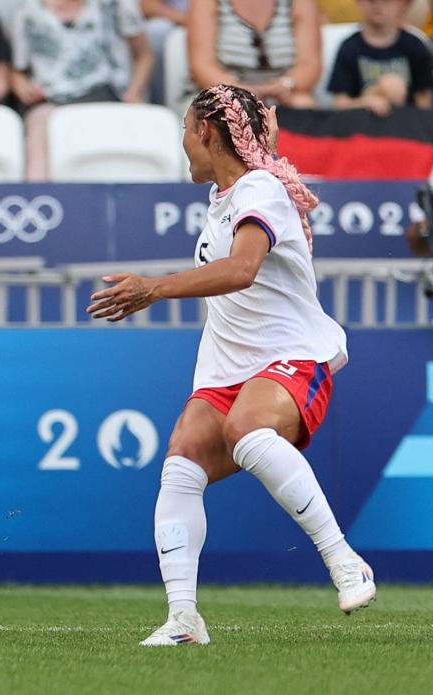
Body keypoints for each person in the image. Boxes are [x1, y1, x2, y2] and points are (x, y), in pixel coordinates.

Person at [87, 84, 376, 646]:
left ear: (206, 133)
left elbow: (243, 269)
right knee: (180, 467)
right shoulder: (224, 200)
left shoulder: (261, 188)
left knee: (247, 430)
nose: (183, 148)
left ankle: (345, 561)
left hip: (292, 357)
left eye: (185, 133)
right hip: (227, 372)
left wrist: (155, 288)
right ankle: (183, 620)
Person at [11, 0, 154, 180]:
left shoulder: (118, 4)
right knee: (39, 122)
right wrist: (25, 89)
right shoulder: (28, 9)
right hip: (49, 98)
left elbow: (144, 55)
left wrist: (133, 93)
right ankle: (40, 199)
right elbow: (17, 72)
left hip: (107, 94)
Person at [187, 0, 321, 108]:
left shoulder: (302, 3)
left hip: (283, 94)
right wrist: (242, 91)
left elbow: (310, 65)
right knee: (229, 112)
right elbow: (201, 66)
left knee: (303, 104)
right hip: (224, 91)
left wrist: (286, 84)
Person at [327, 0, 433, 116]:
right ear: (358, 2)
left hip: (405, 124)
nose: (378, 5)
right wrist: (364, 102)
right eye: (371, 0)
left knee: (393, 85)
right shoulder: (349, 47)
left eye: (386, 1)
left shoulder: (414, 46)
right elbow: (339, 103)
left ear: (404, 4)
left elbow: (423, 101)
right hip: (362, 122)